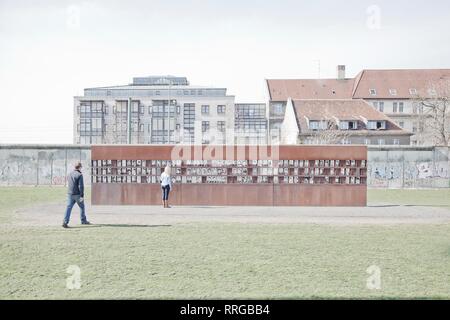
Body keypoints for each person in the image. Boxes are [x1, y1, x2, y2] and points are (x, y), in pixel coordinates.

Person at [63, 162, 90, 228]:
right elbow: (81, 186)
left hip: (70, 194)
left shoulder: (69, 174)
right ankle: (83, 220)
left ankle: (65, 222)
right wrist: (82, 196)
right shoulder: (80, 175)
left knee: (68, 208)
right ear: (80, 167)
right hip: (77, 194)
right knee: (82, 207)